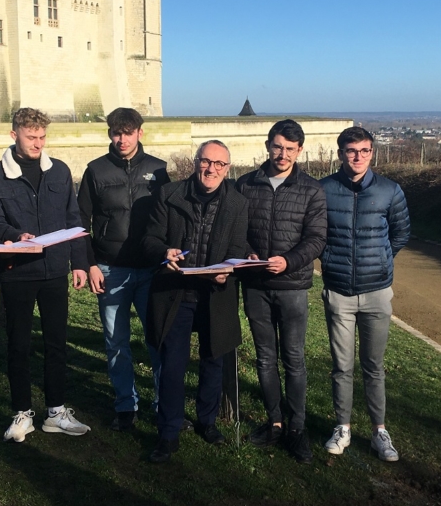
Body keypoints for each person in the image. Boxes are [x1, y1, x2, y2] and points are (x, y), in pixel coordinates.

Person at [0, 108, 90, 442]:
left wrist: (80, 263)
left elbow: (74, 220)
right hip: (17, 272)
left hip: (55, 271)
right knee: (19, 345)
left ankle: (56, 411)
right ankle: (22, 413)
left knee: (57, 344)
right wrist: (14, 235)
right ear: (14, 136)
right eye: (31, 137)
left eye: (42, 137)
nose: (38, 143)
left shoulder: (59, 172)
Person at [141, 140, 250, 463]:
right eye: (206, 162)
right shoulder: (169, 194)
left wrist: (228, 270)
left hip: (215, 293)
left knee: (214, 358)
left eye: (219, 164)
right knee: (173, 364)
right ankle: (169, 432)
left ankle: (208, 421)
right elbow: (149, 238)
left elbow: (239, 248)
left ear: (227, 169)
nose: (211, 169)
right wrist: (164, 252)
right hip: (176, 291)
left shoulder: (238, 203)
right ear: (195, 162)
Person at [235, 119, 326, 463]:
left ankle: (297, 428)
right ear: (267, 145)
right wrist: (246, 252)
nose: (283, 154)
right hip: (256, 285)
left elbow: (316, 238)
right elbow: (235, 228)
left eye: (290, 148)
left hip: (292, 287)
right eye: (277, 146)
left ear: (299, 150)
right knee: (264, 358)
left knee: (294, 360)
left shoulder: (311, 190)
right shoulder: (246, 185)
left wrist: (288, 262)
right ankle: (274, 421)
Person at [319, 127, 410, 462]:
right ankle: (342, 427)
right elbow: (316, 232)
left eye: (365, 151)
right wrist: (328, 261)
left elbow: (401, 233)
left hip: (377, 292)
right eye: (351, 150)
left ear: (373, 153)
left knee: (374, 366)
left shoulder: (390, 191)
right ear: (341, 153)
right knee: (341, 366)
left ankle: (378, 431)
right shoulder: (324, 189)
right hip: (339, 290)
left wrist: (381, 260)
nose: (358, 157)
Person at [78, 107, 171, 431]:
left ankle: (164, 403)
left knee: (157, 339)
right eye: (116, 133)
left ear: (139, 133)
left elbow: (170, 219)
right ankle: (125, 405)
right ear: (110, 134)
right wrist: (88, 263)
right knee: (116, 341)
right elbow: (81, 222)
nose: (121, 139)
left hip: (150, 269)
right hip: (111, 267)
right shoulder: (96, 171)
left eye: (127, 132)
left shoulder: (158, 170)